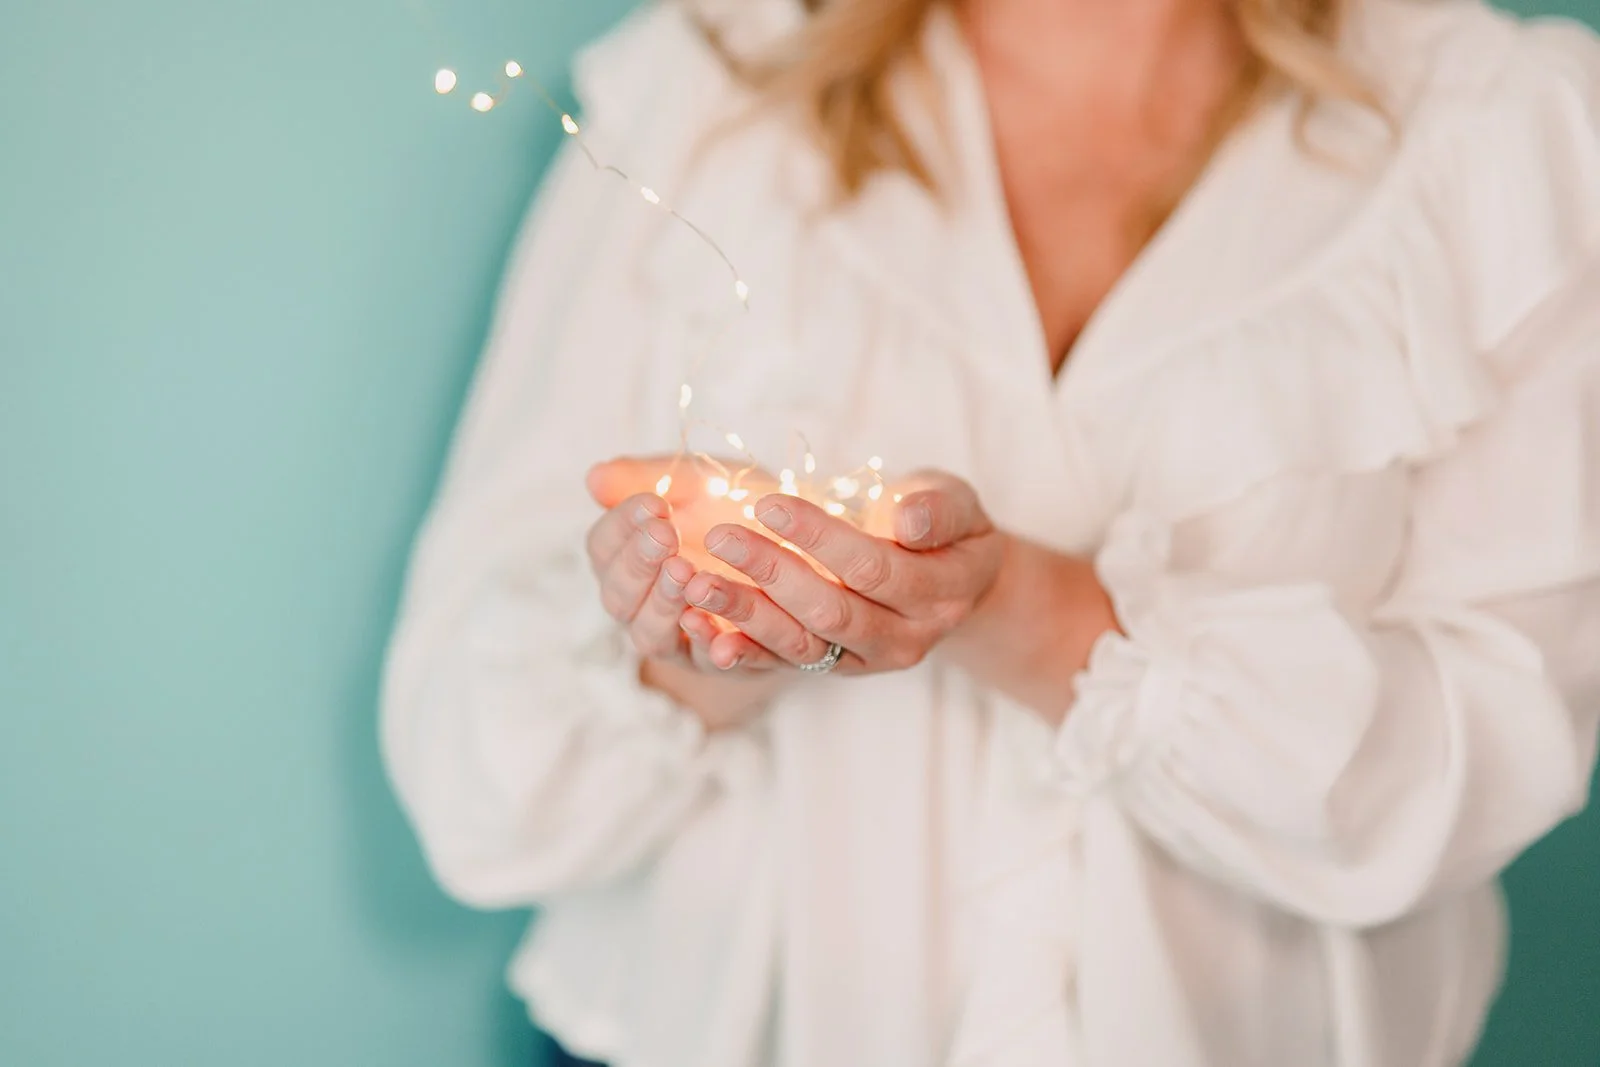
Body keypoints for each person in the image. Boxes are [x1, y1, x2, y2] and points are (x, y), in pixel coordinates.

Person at [381, 0, 1600, 1063]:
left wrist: (1024, 613)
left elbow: (1497, 744)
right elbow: (472, 783)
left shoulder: (1503, 132)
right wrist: (697, 652)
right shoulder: (708, 88)